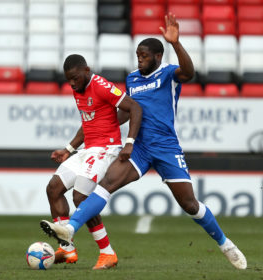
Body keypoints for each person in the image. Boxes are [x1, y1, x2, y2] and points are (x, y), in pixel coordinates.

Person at [41, 14, 247, 270]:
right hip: (139, 148)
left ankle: (225, 243)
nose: (139, 59)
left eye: (144, 55)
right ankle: (69, 228)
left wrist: (176, 43)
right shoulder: (132, 79)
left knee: (190, 204)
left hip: (166, 147)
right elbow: (125, 111)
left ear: (158, 56)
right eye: (138, 55)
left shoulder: (169, 73)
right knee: (105, 185)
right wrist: (101, 127)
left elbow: (190, 73)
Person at [40, 54, 142, 270]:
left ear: (87, 70)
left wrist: (129, 143)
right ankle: (67, 250)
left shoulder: (102, 85)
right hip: (87, 149)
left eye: (75, 78)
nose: (72, 83)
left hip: (106, 149)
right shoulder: (78, 88)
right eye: (69, 80)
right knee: (53, 188)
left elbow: (134, 107)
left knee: (80, 197)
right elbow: (88, 122)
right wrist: (68, 149)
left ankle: (107, 253)